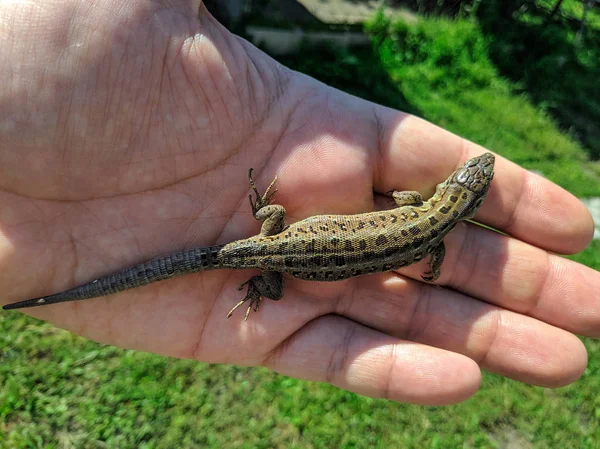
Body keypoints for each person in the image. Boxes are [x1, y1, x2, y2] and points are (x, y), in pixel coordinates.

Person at [0, 1, 597, 406]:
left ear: (453, 191)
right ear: (460, 206)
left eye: (472, 178)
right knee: (258, 279)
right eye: (476, 175)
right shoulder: (431, 236)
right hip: (284, 262)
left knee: (222, 249)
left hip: (282, 235)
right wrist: (265, 282)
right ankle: (253, 286)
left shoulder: (420, 205)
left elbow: (410, 199)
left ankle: (255, 222)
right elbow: (431, 263)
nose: (477, 171)